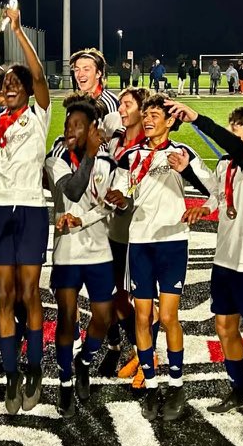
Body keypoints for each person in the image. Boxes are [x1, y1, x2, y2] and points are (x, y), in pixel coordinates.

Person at [165, 101, 243, 444]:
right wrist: (190, 174)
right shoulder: (227, 164)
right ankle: (242, 390)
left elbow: (237, 153)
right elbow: (217, 193)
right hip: (226, 260)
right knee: (225, 327)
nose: (230, 137)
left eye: (235, 130)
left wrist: (198, 120)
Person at [104, 94, 216, 422]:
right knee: (142, 318)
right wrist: (118, 199)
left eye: (156, 115)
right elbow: (124, 197)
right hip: (139, 243)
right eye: (147, 114)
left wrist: (201, 206)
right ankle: (152, 385)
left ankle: (177, 384)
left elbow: (214, 189)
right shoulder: (130, 156)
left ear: (170, 122)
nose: (150, 119)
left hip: (171, 242)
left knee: (168, 318)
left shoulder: (181, 153)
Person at [0, 0, 50, 414]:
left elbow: (37, 73)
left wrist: (16, 31)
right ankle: (12, 375)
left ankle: (35, 367)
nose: (12, 86)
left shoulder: (39, 115)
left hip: (32, 209)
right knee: (2, 295)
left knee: (29, 291)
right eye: (6, 85)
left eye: (17, 82)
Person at [44, 95, 115, 417]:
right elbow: (72, 191)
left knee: (102, 317)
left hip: (100, 250)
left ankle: (84, 361)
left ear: (92, 129)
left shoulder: (110, 161)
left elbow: (113, 202)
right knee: (66, 319)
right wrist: (89, 153)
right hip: (68, 252)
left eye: (78, 125)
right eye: (67, 124)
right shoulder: (55, 159)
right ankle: (65, 383)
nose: (70, 130)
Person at [96, 87, 161, 388]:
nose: (121, 109)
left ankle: (149, 358)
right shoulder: (115, 139)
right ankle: (139, 351)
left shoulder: (149, 146)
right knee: (117, 297)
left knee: (143, 299)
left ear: (141, 110)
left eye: (127, 104)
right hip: (113, 229)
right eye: (120, 103)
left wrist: (123, 200)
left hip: (138, 232)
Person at [70, 47, 121, 137]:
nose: (80, 74)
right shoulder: (75, 101)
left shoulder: (110, 103)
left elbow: (114, 143)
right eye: (77, 70)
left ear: (98, 73)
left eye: (86, 69)